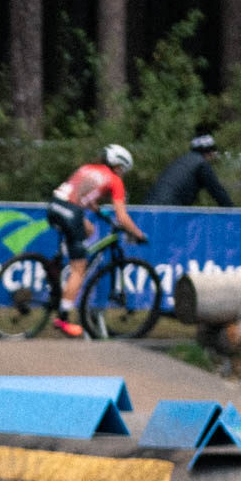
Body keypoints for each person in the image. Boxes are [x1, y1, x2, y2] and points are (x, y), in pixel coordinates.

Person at [45, 144, 148, 337]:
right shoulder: (115, 180)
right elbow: (123, 218)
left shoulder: (87, 168)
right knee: (79, 268)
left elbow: (81, 195)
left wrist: (98, 211)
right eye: (123, 170)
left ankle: (57, 269)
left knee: (89, 229)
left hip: (54, 205)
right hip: (71, 212)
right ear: (118, 166)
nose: (122, 174)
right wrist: (138, 234)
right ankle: (63, 319)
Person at [144, 133, 234, 207]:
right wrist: (234, 215)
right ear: (209, 153)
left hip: (149, 205)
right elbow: (218, 192)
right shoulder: (202, 164)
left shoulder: (182, 160)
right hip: (168, 209)